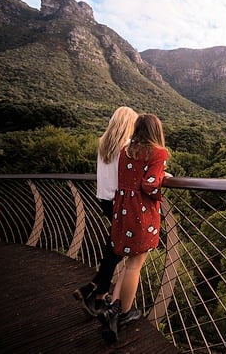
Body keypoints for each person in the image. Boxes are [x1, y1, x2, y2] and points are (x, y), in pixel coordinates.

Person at [100, 114, 171, 343]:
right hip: (141, 214)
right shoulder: (158, 153)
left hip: (122, 210)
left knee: (129, 261)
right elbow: (149, 185)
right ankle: (124, 313)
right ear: (156, 130)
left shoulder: (126, 151)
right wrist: (161, 174)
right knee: (135, 265)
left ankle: (113, 305)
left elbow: (130, 178)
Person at [73, 106, 138, 317]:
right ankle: (95, 291)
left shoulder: (103, 143)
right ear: (130, 124)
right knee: (119, 248)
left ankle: (96, 292)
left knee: (115, 246)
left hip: (104, 199)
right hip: (121, 203)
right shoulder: (127, 147)